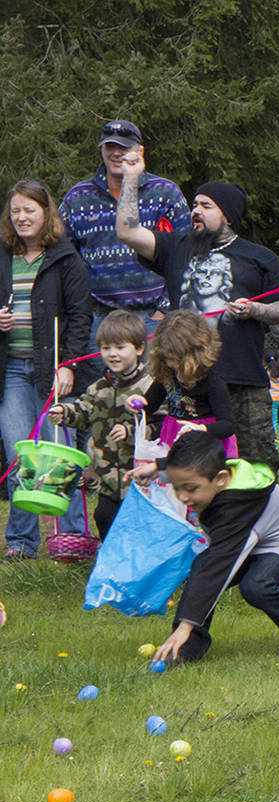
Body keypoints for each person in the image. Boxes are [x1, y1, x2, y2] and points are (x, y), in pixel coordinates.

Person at [114, 149, 279, 472]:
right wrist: (131, 180)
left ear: (229, 215)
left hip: (244, 379)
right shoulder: (175, 246)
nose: (196, 210)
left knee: (256, 465)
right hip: (192, 381)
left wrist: (257, 311)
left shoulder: (260, 257)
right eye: (195, 204)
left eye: (206, 206)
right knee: (195, 467)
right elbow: (127, 232)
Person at [145, 431, 279, 663]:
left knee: (256, 585)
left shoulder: (236, 508)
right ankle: (188, 647)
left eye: (191, 489)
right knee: (200, 566)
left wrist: (185, 624)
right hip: (252, 542)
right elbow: (190, 465)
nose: (183, 497)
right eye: (177, 488)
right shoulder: (213, 475)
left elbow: (219, 566)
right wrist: (158, 468)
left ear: (221, 479)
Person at [0, 179, 93, 559]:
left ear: (46, 213)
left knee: (60, 455)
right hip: (10, 372)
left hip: (53, 368)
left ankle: (71, 541)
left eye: (29, 210)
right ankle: (22, 544)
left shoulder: (65, 258)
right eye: (15, 211)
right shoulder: (3, 256)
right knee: (20, 455)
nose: (21, 217)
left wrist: (69, 364)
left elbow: (80, 317)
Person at [59, 119, 189, 344]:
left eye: (124, 147)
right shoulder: (77, 197)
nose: (117, 153)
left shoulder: (166, 193)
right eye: (111, 147)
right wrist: (81, 311)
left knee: (155, 380)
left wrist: (166, 311)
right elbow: (64, 257)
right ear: (102, 149)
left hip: (153, 318)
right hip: (99, 320)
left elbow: (187, 253)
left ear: (140, 151)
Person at [47, 310, 155, 537]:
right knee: (104, 517)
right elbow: (83, 411)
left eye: (120, 347)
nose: (112, 354)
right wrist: (64, 412)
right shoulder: (98, 388)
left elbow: (160, 424)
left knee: (140, 528)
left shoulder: (150, 386)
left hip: (141, 480)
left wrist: (130, 431)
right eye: (106, 348)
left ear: (139, 349)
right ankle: (112, 563)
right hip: (107, 480)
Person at [127, 310, 236, 470]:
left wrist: (201, 429)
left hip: (205, 443)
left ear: (196, 354)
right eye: (166, 358)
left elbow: (228, 425)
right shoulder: (167, 374)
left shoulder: (212, 382)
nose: (171, 364)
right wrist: (139, 403)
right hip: (174, 434)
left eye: (176, 359)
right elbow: (150, 404)